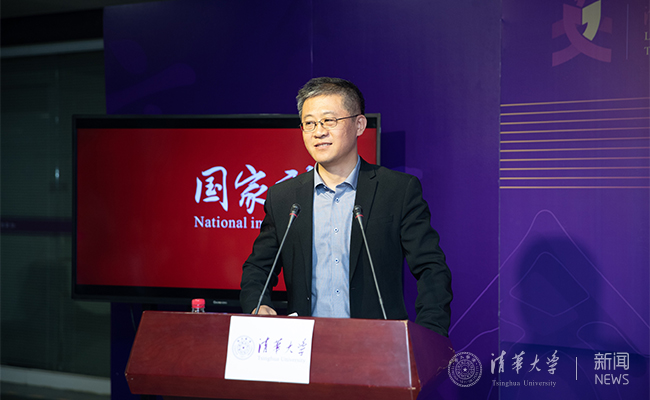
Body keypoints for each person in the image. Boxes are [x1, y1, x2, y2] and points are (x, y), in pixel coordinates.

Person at [240, 77, 452, 336]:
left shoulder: (397, 190)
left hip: (378, 344)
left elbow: (431, 267)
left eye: (329, 120)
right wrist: (258, 304)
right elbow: (258, 268)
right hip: (305, 344)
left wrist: (429, 334)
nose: (318, 132)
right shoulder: (283, 197)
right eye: (309, 123)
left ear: (359, 125)